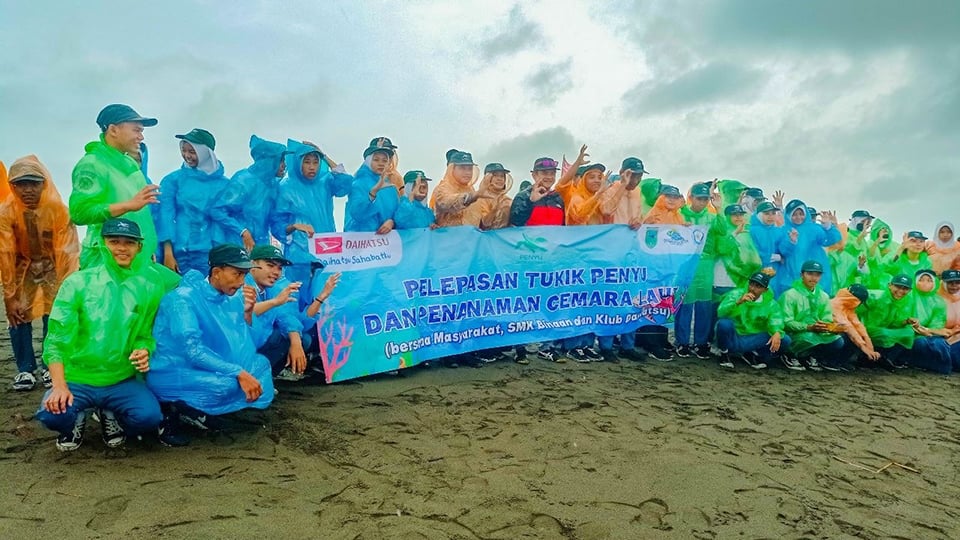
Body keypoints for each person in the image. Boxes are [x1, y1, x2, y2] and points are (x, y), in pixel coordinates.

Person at [35, 218, 170, 451]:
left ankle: (111, 412)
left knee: (148, 417)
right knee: (52, 414)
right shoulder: (78, 283)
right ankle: (73, 421)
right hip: (77, 377)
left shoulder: (148, 286)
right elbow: (56, 340)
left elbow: (144, 334)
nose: (121, 248)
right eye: (114, 241)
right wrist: (59, 386)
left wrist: (143, 349)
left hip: (120, 378)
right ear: (101, 243)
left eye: (129, 242)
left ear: (139, 247)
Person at [146, 244, 274, 446]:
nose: (242, 282)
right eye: (237, 274)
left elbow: (250, 344)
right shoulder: (181, 300)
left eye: (244, 275)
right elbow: (192, 351)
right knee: (226, 385)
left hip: (204, 365)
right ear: (216, 273)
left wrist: (248, 313)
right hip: (172, 369)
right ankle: (169, 410)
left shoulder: (230, 298)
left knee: (261, 365)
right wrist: (238, 372)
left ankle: (196, 409)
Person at [0, 156, 80, 391]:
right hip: (21, 267)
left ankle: (50, 365)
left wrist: (66, 288)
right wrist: (10, 296)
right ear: (12, 186)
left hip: (53, 266)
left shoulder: (59, 210)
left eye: (34, 183)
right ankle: (25, 369)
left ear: (44, 184)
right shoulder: (6, 212)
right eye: (21, 184)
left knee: (54, 313)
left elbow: (68, 253)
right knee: (17, 314)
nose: (28, 190)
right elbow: (5, 252)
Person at [70, 104, 160, 268]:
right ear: (113, 130)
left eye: (142, 132)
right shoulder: (92, 165)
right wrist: (128, 205)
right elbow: (80, 213)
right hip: (104, 260)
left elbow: (140, 215)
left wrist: (146, 249)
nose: (141, 137)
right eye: (136, 130)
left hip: (135, 259)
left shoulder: (129, 165)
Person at [274, 140, 353, 303]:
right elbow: (276, 224)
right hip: (300, 251)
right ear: (298, 164)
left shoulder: (325, 182)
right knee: (298, 295)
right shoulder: (286, 188)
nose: (312, 167)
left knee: (328, 294)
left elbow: (346, 183)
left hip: (327, 248)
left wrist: (325, 156)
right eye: (307, 162)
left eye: (316, 162)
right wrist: (295, 226)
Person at [158, 129, 231, 275]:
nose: (187, 156)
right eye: (183, 150)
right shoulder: (173, 180)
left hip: (210, 254)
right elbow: (165, 215)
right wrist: (168, 253)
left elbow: (224, 221)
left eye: (192, 151)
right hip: (179, 254)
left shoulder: (224, 185)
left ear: (206, 153)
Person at [209, 135, 289, 252]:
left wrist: (292, 230)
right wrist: (242, 231)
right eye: (281, 160)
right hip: (237, 246)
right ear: (269, 161)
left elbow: (274, 220)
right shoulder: (244, 181)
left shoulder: (272, 187)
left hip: (260, 248)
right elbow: (217, 210)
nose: (284, 165)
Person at [245, 245, 309, 380]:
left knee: (299, 339)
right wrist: (274, 302)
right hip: (236, 347)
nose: (276, 272)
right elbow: (237, 313)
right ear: (252, 264)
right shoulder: (242, 284)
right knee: (278, 336)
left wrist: (296, 343)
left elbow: (285, 315)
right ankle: (251, 378)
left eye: (279, 268)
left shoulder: (271, 288)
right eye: (270, 265)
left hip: (253, 342)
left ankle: (264, 378)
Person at [779, 261, 849, 371]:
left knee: (838, 340)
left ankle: (811, 356)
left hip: (814, 332)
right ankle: (789, 354)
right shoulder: (790, 295)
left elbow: (826, 318)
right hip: (795, 333)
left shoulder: (823, 296)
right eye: (810, 274)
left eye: (817, 275)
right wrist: (808, 327)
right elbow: (785, 322)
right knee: (807, 337)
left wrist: (829, 327)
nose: (814, 278)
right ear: (802, 275)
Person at [675, 182, 718, 359]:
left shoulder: (712, 217)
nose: (702, 202)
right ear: (691, 198)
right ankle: (682, 342)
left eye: (705, 199)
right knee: (684, 304)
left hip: (706, 265)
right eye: (699, 198)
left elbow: (722, 231)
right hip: (685, 264)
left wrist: (719, 209)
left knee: (704, 306)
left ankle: (701, 343)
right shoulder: (681, 213)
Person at [715, 272, 790, 370]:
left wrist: (776, 332)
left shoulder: (771, 304)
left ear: (765, 290)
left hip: (754, 338)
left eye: (758, 286)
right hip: (736, 336)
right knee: (724, 324)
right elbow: (721, 312)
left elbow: (776, 319)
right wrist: (738, 302)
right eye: (751, 284)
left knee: (784, 339)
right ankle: (724, 352)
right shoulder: (736, 294)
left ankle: (756, 354)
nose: (752, 288)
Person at [775, 200, 841, 296]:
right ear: (788, 215)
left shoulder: (815, 228)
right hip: (793, 273)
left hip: (815, 271)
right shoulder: (784, 230)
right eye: (794, 214)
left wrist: (828, 227)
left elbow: (830, 240)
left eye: (801, 214)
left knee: (816, 299)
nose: (798, 217)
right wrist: (791, 242)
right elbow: (783, 251)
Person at [860, 274, 916, 370]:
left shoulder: (906, 301)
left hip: (884, 330)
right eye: (898, 287)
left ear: (910, 290)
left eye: (905, 288)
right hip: (865, 329)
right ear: (890, 285)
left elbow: (896, 323)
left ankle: (887, 358)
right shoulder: (875, 297)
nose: (901, 291)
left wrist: (907, 321)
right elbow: (856, 310)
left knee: (909, 332)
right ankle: (869, 358)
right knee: (884, 334)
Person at [345, 138, 401, 233]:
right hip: (361, 239)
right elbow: (357, 214)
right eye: (376, 160)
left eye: (384, 160)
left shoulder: (391, 188)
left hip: (387, 240)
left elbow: (397, 214)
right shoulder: (358, 184)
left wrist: (392, 222)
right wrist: (372, 194)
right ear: (368, 160)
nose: (381, 164)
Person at [908, 269, 953, 374]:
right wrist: (919, 329)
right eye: (921, 280)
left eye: (929, 280)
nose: (925, 283)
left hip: (931, 332)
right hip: (913, 332)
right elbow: (904, 317)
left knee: (939, 343)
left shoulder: (938, 301)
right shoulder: (909, 296)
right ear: (915, 281)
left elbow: (938, 323)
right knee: (920, 342)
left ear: (934, 283)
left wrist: (928, 331)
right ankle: (919, 365)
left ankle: (943, 369)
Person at [430, 150, 489, 228]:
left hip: (472, 235)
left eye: (470, 169)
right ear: (452, 169)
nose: (467, 172)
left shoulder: (471, 190)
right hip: (449, 235)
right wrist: (471, 197)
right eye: (462, 168)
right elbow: (446, 202)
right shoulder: (443, 188)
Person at [750, 201, 796, 292]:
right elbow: (751, 251)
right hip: (757, 271)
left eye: (773, 213)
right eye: (766, 214)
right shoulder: (752, 231)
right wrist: (769, 257)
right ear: (759, 215)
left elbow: (784, 251)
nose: (770, 217)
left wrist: (791, 241)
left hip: (776, 272)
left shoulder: (778, 231)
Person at [830, 284, 880, 365]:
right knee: (846, 338)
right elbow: (846, 326)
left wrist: (869, 346)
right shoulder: (835, 304)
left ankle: (840, 362)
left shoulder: (847, 307)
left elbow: (858, 325)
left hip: (834, 330)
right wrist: (863, 347)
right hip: (826, 332)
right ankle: (828, 360)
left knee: (857, 336)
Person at [509, 157, 565, 228]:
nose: (549, 177)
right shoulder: (523, 196)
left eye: (553, 173)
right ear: (534, 175)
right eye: (544, 173)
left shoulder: (559, 198)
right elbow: (515, 222)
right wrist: (530, 201)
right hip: (528, 235)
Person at [462, 163, 513, 230]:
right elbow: (484, 224)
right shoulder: (480, 198)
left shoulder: (508, 199)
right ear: (487, 178)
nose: (499, 179)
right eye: (495, 176)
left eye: (502, 176)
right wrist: (494, 210)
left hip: (506, 235)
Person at [597, 157, 645, 228]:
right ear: (621, 173)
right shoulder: (609, 189)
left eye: (639, 177)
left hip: (631, 234)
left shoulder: (637, 191)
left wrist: (638, 221)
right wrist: (623, 185)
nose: (635, 181)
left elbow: (639, 215)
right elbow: (606, 211)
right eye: (632, 176)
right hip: (614, 233)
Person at [938, 269, 960, 372]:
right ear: (943, 282)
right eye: (950, 283)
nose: (954, 286)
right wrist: (951, 332)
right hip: (943, 339)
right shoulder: (936, 298)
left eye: (957, 283)